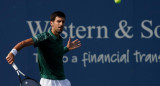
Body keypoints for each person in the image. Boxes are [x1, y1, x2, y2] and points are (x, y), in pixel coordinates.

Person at [6, 11, 81, 86]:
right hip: (49, 82)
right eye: (58, 21)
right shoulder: (44, 37)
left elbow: (55, 55)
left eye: (63, 22)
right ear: (51, 23)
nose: (61, 24)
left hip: (62, 80)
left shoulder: (60, 39)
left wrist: (67, 48)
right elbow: (23, 43)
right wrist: (12, 53)